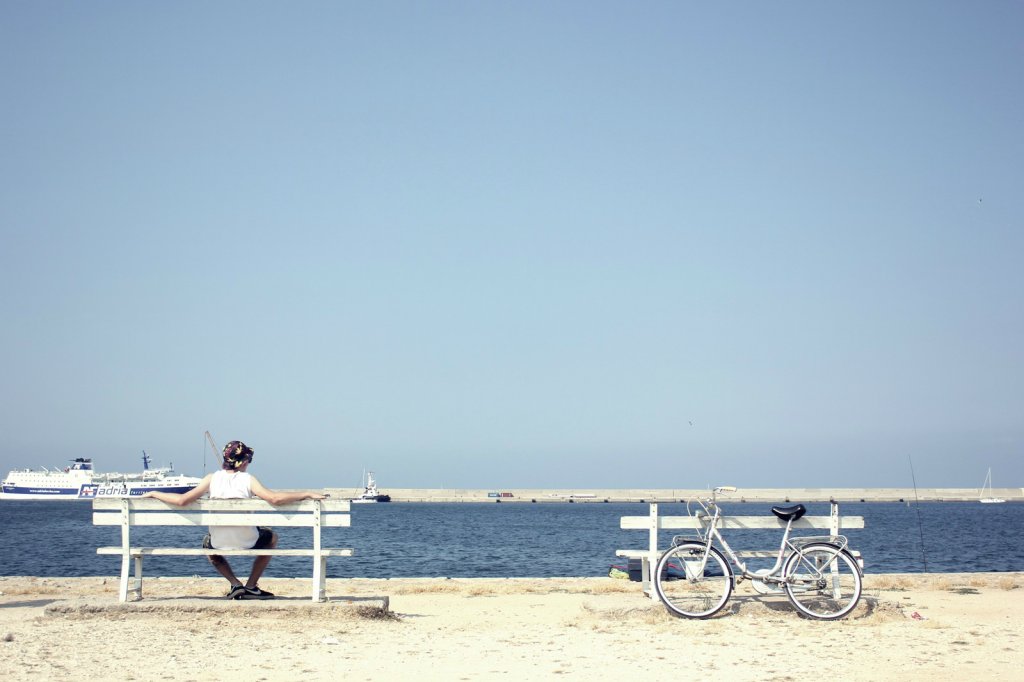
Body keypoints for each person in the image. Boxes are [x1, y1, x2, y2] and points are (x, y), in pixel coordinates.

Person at [144, 440, 326, 600]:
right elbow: (275, 499)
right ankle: (251, 586)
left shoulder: (210, 479)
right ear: (243, 461)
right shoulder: (248, 479)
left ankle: (234, 583)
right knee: (272, 537)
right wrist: (307, 493)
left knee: (207, 544)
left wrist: (154, 493)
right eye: (248, 460)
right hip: (249, 540)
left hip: (218, 542)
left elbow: (182, 501)